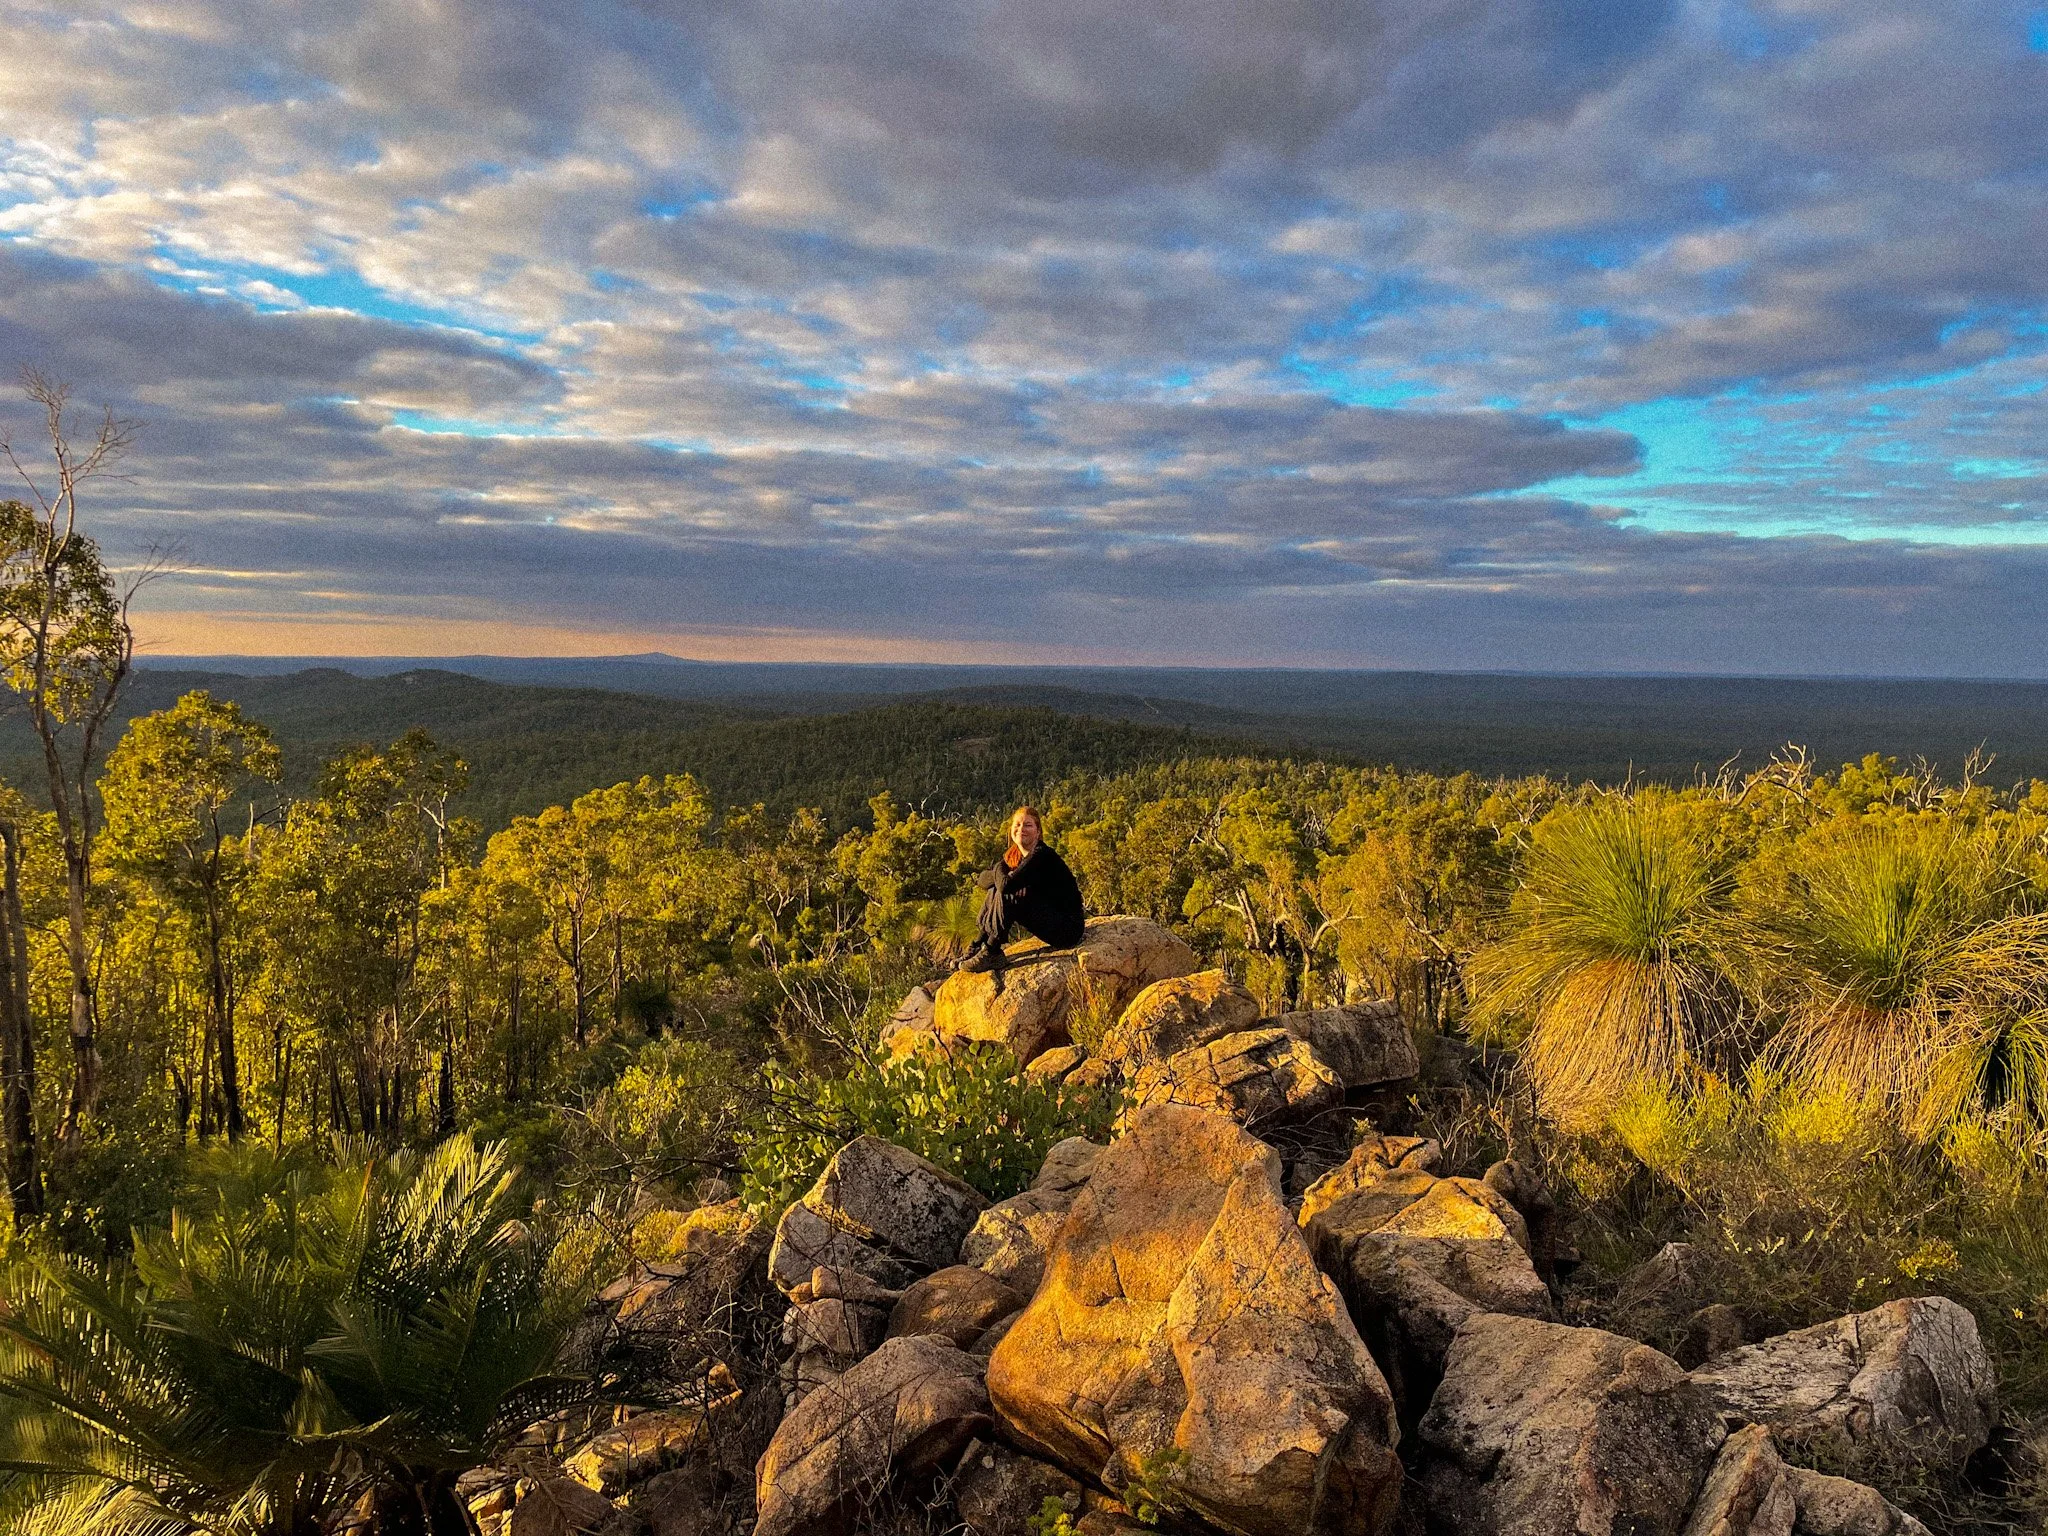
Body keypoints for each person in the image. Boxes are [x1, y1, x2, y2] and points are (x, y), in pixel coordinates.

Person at [958, 805, 1086, 973]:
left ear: (1038, 832)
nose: (1021, 829)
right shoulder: (1014, 855)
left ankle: (992, 951)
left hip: (1068, 929)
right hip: (1051, 919)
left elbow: (1005, 886)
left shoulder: (1042, 856)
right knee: (995, 889)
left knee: (1008, 894)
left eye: (1028, 825)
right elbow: (982, 880)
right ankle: (978, 944)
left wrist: (999, 871)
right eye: (1017, 824)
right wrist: (1001, 871)